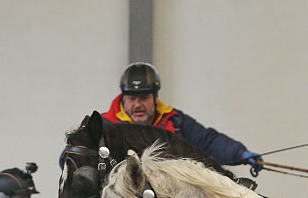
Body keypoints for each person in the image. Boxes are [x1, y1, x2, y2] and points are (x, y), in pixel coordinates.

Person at [102, 61, 263, 173]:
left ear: (154, 98)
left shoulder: (175, 119)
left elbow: (208, 141)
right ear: (123, 98)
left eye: (144, 98)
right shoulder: (106, 126)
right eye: (132, 99)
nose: (137, 105)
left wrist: (240, 154)